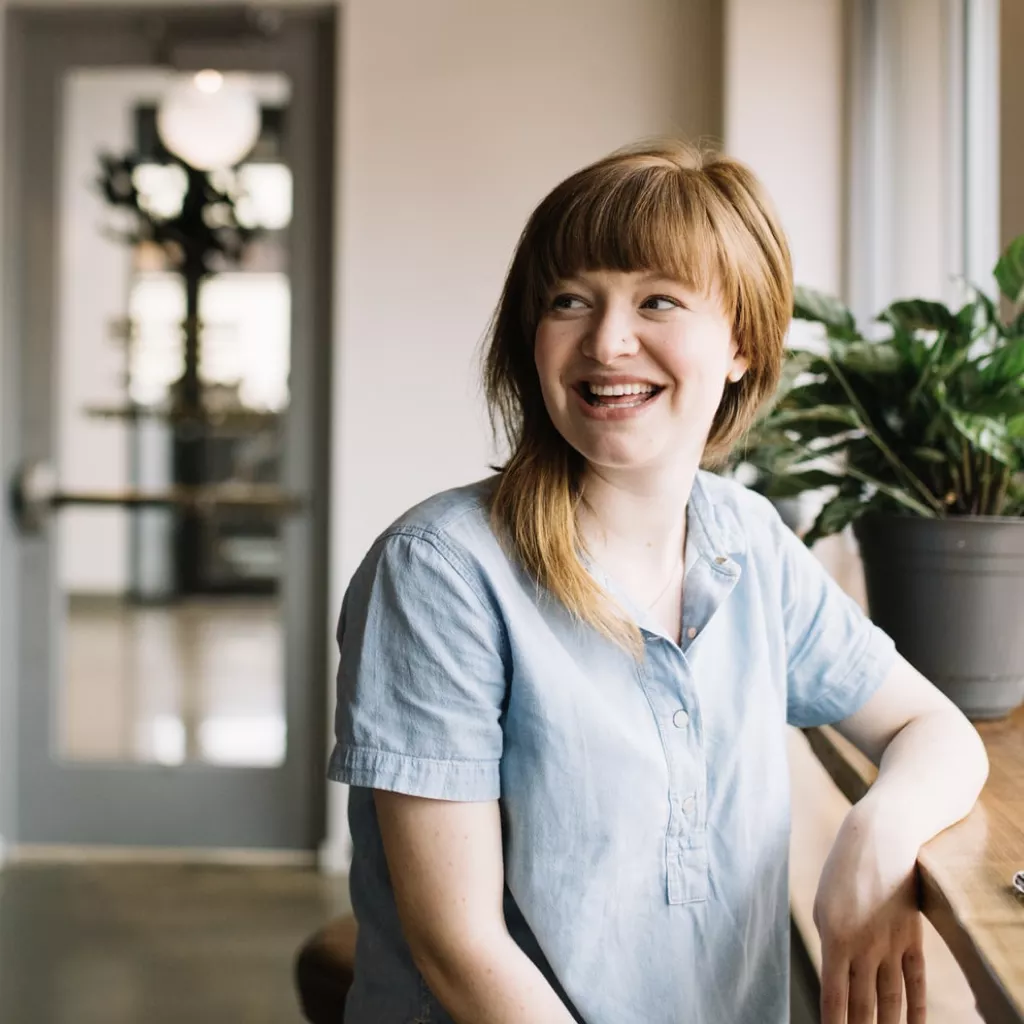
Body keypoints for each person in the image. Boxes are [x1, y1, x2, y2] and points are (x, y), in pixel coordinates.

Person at [328, 140, 989, 1024]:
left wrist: (876, 834)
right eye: (570, 301)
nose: (607, 342)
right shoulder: (440, 570)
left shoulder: (747, 539)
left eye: (657, 301)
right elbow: (460, 949)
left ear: (742, 346)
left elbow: (934, 728)